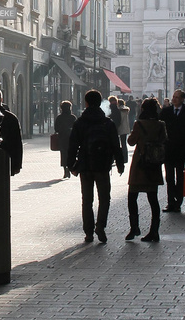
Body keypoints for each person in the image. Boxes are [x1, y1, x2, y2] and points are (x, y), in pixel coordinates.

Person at [66, 89, 125, 243]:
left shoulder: (80, 122)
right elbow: (115, 144)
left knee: (87, 200)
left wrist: (71, 164)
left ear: (86, 103)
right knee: (104, 198)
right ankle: (100, 226)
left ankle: (88, 232)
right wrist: (119, 163)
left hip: (85, 165)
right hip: (103, 165)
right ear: (100, 103)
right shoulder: (107, 122)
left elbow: (72, 145)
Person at [125, 98, 167, 242]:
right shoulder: (160, 124)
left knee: (132, 197)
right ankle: (154, 230)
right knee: (153, 199)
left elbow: (131, 141)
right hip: (153, 164)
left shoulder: (139, 124)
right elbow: (164, 140)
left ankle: (134, 227)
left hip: (140, 165)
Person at [159, 89, 185, 212]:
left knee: (180, 177)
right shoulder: (166, 111)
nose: (174, 99)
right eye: (173, 97)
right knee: (169, 177)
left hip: (181, 150)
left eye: (177, 97)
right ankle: (170, 201)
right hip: (168, 150)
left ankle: (178, 201)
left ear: (182, 99)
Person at [53, 100, 77, 178]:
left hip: (62, 139)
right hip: (72, 139)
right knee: (72, 154)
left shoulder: (59, 118)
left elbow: (56, 128)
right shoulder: (72, 117)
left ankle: (65, 169)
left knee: (63, 154)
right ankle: (70, 168)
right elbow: (76, 128)